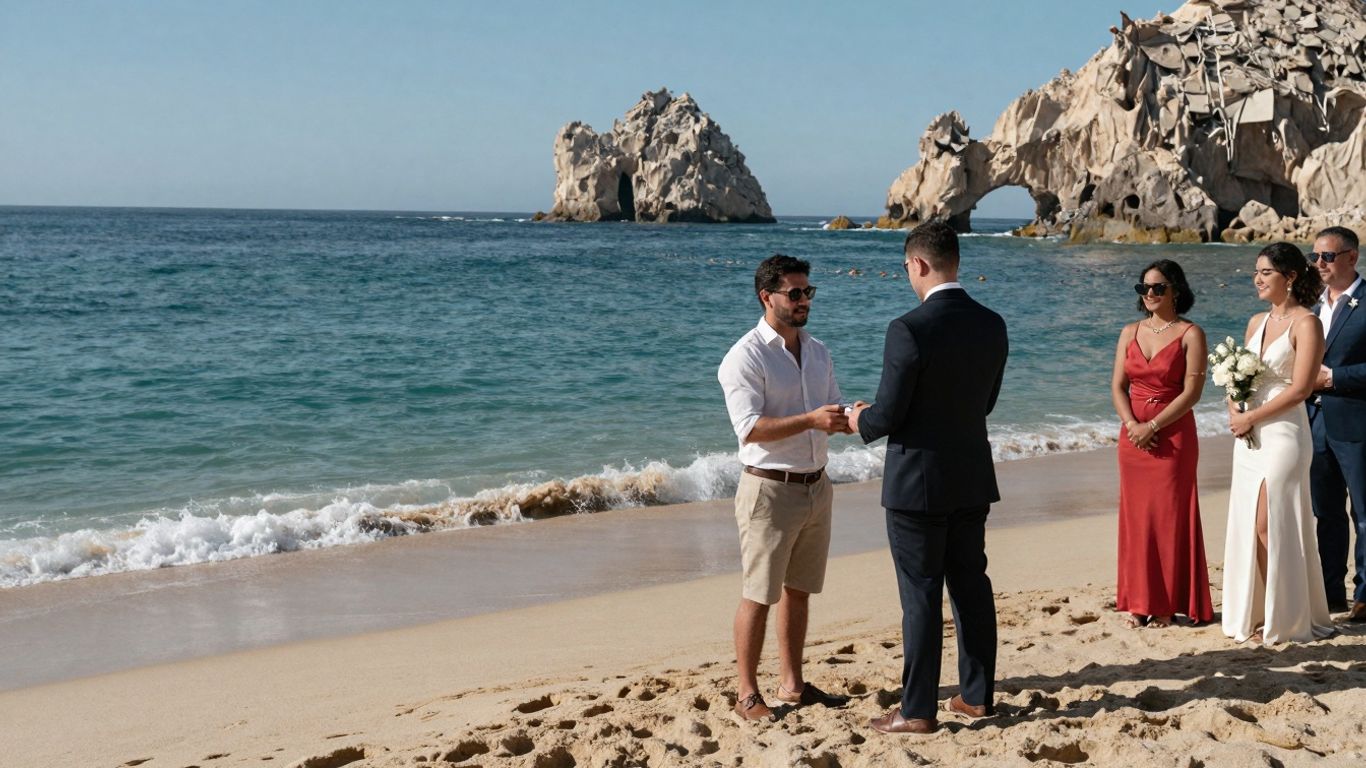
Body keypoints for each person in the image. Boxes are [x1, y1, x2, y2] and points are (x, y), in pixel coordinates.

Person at [848, 221, 1008, 735]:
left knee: (920, 595)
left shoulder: (908, 328)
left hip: (917, 484)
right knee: (971, 587)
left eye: (906, 268)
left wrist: (857, 418)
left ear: (918, 263)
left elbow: (887, 415)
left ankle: (917, 710)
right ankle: (976, 697)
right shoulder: (992, 323)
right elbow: (985, 403)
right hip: (970, 475)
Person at [717, 253, 852, 723]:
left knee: (799, 590)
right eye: (794, 293)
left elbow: (831, 408)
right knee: (759, 593)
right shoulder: (745, 356)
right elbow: (749, 429)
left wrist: (853, 416)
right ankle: (746, 694)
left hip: (817, 486)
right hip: (769, 491)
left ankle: (792, 685)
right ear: (766, 297)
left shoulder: (818, 351)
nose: (804, 300)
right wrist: (812, 419)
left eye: (807, 292)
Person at [1223, 242, 1334, 644]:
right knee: (1249, 526)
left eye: (1266, 272)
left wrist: (1251, 417)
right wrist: (1234, 408)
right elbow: (1237, 376)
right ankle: (1263, 614)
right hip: (1248, 434)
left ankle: (1283, 617)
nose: (1257, 279)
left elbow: (1301, 388)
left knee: (1270, 523)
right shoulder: (1255, 322)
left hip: (1285, 432)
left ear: (1289, 277)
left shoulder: (1307, 323)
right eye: (1256, 272)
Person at [1111, 260, 1213, 629]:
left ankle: (1167, 605)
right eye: (1144, 288)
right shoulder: (1129, 332)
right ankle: (1139, 603)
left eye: (1158, 287)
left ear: (1176, 290)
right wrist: (1132, 425)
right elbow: (1117, 387)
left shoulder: (1191, 333)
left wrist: (1152, 425)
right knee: (1137, 520)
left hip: (1173, 438)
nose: (1150, 294)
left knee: (1169, 518)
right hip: (1132, 439)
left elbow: (1192, 393)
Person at [1307, 226, 1366, 622]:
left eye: (1327, 256)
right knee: (1325, 513)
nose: (1319, 264)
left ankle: (1365, 594)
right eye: (1314, 256)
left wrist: (1334, 379)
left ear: (1351, 257)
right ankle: (1331, 594)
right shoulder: (1311, 307)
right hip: (1314, 423)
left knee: (1364, 513)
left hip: (1358, 422)